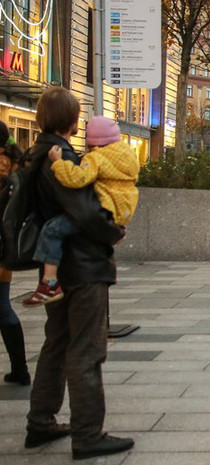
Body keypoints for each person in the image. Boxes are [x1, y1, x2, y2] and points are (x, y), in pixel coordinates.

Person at [25, 87, 133, 460]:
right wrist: (114, 231)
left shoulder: (36, 152)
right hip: (83, 267)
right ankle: (88, 435)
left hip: (57, 268)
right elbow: (85, 212)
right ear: (73, 121)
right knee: (86, 350)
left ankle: (41, 421)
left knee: (56, 343)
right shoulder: (62, 157)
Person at [23, 116, 146, 307]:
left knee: (52, 229)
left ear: (92, 141)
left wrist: (58, 162)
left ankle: (50, 282)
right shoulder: (128, 155)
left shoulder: (96, 158)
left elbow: (77, 178)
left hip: (105, 208)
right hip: (123, 209)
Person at [0, 121, 30, 386]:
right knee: (2, 306)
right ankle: (19, 368)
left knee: (2, 308)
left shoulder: (3, 169)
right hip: (5, 248)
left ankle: (20, 369)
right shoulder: (15, 165)